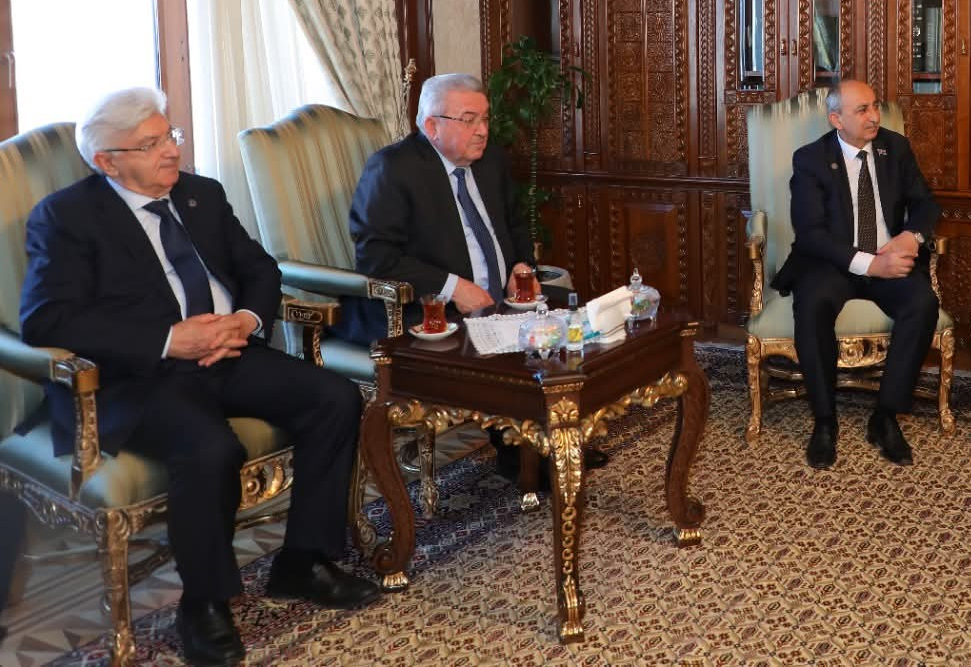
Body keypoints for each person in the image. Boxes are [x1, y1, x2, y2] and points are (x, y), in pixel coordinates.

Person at [19, 88, 379, 667]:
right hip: (138, 377)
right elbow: (47, 319)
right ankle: (203, 604)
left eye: (170, 135)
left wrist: (246, 320)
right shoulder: (67, 217)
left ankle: (303, 561)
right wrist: (168, 339)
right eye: (151, 144)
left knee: (334, 397)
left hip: (226, 352)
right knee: (211, 448)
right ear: (107, 161)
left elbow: (259, 268)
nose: (171, 150)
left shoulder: (200, 194)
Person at [349, 72, 593, 479]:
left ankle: (554, 438)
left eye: (485, 118)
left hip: (504, 301)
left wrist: (521, 266)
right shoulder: (393, 169)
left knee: (573, 328)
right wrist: (452, 288)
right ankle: (522, 451)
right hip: (434, 313)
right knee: (511, 350)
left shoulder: (490, 160)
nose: (482, 130)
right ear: (432, 126)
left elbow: (515, 224)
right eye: (469, 120)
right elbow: (375, 257)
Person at [773, 79, 940, 469]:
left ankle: (885, 416)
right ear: (836, 120)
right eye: (862, 110)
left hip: (888, 256)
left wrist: (911, 236)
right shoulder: (811, 159)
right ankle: (824, 421)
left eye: (875, 106)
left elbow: (926, 204)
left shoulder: (894, 148)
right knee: (812, 304)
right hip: (833, 262)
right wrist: (869, 265)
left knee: (922, 303)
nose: (874, 116)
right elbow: (811, 234)